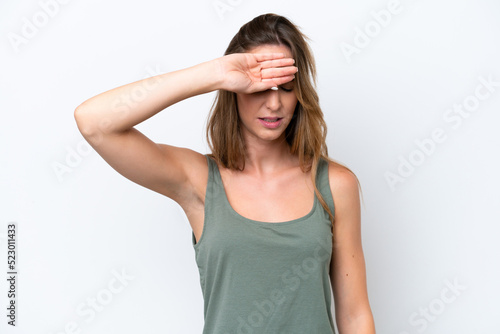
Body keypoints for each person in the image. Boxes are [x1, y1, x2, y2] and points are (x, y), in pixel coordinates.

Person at [74, 13, 375, 334]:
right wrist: (215, 73)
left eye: (286, 88)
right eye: (259, 86)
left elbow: (355, 315)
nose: (274, 103)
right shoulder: (199, 181)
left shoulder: (335, 185)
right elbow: (94, 123)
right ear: (234, 87)